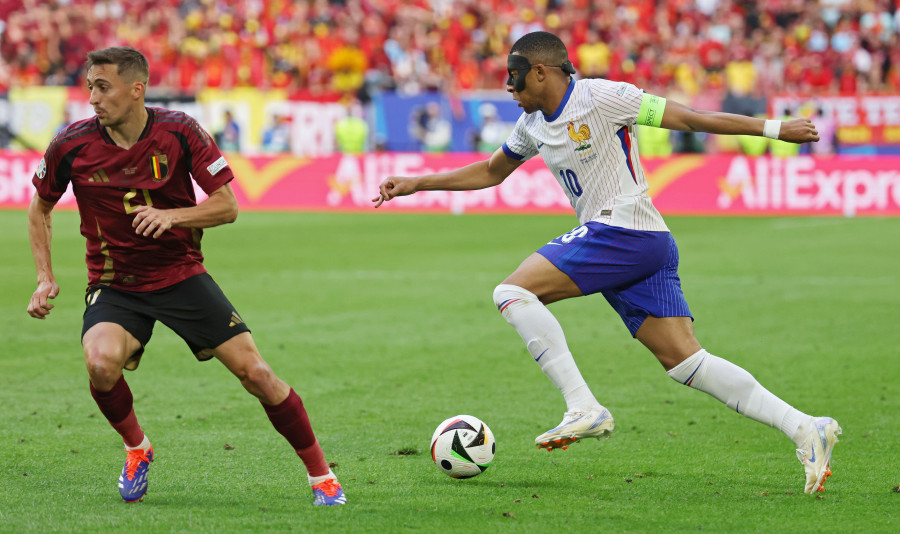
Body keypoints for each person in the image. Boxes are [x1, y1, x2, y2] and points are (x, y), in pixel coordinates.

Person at [373, 31, 840, 495]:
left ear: (541, 71)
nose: (510, 90)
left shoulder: (604, 96)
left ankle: (582, 406)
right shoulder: (532, 124)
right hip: (643, 242)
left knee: (512, 292)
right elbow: (492, 171)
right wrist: (418, 183)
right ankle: (805, 428)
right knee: (685, 362)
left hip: (624, 229)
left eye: (515, 80)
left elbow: (691, 119)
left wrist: (775, 129)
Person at [26, 47, 345, 506]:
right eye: (90, 86)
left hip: (179, 275)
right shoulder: (71, 143)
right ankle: (137, 449)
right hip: (116, 284)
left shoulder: (179, 131)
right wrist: (43, 277)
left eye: (103, 86)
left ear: (136, 90)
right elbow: (40, 207)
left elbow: (227, 205)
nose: (93, 98)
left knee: (257, 373)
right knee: (99, 364)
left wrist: (173, 217)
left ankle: (323, 478)